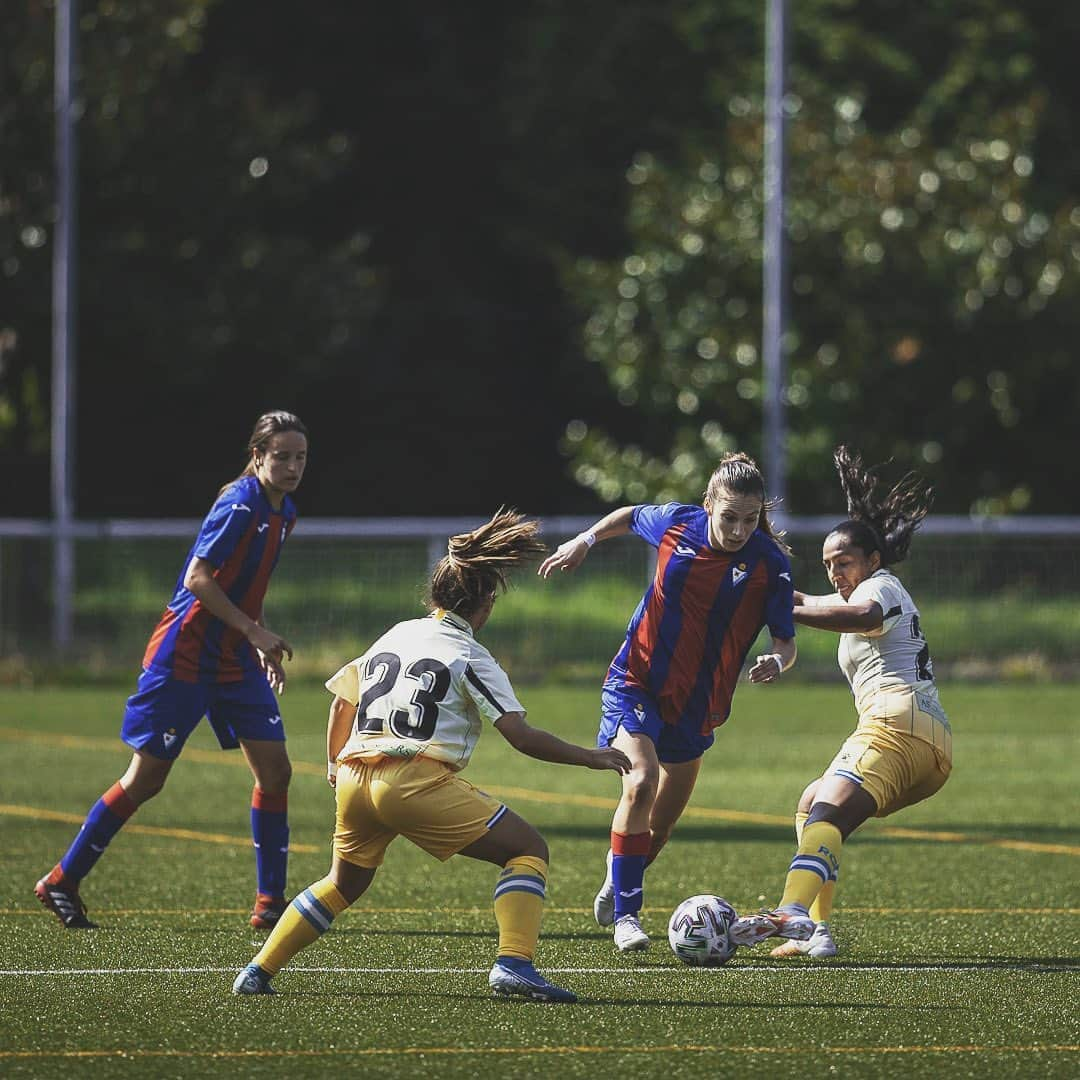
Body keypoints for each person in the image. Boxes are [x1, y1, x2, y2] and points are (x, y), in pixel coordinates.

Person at [232, 509, 631, 1003]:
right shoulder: (469, 653)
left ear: (436, 596)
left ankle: (258, 969)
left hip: (356, 774)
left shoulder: (397, 632)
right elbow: (520, 736)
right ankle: (514, 963)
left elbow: (342, 701)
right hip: (413, 780)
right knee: (527, 850)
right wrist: (590, 757)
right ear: (484, 605)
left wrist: (336, 764)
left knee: (342, 883)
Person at [35, 410, 309, 931]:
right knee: (146, 779)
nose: (293, 466)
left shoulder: (285, 512)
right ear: (257, 457)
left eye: (301, 457)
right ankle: (61, 881)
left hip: (233, 659)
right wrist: (254, 633)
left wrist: (256, 640)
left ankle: (270, 904)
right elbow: (200, 579)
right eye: (282, 457)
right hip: (183, 656)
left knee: (276, 771)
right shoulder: (239, 504)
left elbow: (247, 585)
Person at [537, 453, 797, 952]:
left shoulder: (769, 564)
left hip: (699, 705)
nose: (739, 529)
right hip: (636, 681)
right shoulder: (678, 523)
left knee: (661, 826)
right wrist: (584, 541)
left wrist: (777, 663)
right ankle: (628, 918)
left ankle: (620, 876)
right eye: (729, 517)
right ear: (708, 505)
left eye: (750, 518)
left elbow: (786, 643)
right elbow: (630, 515)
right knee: (640, 779)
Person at [730, 446, 951, 958]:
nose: (835, 573)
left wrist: (780, 608)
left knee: (824, 810)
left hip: (897, 727)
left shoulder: (883, 586)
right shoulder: (859, 589)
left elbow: (855, 616)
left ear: (872, 560)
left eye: (843, 562)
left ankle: (790, 911)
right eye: (828, 564)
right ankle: (816, 930)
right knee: (812, 808)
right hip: (922, 744)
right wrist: (755, 556)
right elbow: (803, 599)